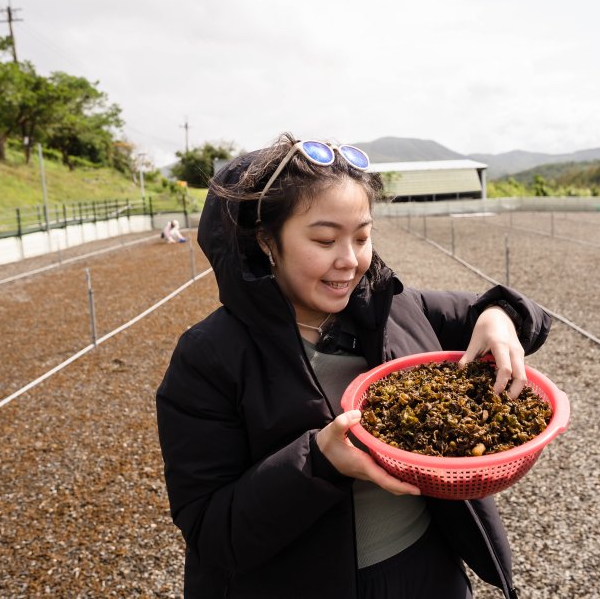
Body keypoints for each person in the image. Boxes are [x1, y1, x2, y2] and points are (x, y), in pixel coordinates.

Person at [156, 133, 552, 599]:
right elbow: (209, 530)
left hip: (427, 571)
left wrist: (499, 315)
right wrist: (318, 462)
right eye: (325, 239)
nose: (349, 261)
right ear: (266, 241)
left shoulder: (394, 308)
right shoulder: (209, 357)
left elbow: (513, 312)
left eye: (362, 236)